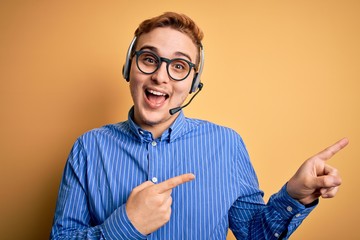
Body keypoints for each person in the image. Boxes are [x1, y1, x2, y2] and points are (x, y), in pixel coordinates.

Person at [50, 12, 348, 240]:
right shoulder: (89, 148)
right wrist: (125, 225)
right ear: (130, 67)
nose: (161, 77)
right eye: (149, 59)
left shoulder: (226, 144)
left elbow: (255, 234)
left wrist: (294, 196)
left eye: (178, 66)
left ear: (193, 83)